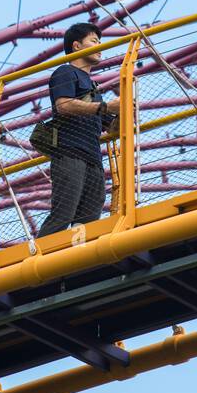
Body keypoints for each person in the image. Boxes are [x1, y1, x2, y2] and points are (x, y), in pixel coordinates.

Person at [38, 23, 120, 237]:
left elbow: (111, 129)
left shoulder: (93, 88)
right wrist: (105, 106)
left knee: (90, 218)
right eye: (94, 41)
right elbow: (63, 106)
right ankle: (38, 259)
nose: (100, 46)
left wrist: (124, 109)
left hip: (93, 159)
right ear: (76, 46)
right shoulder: (65, 72)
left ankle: (76, 262)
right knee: (64, 213)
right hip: (69, 153)